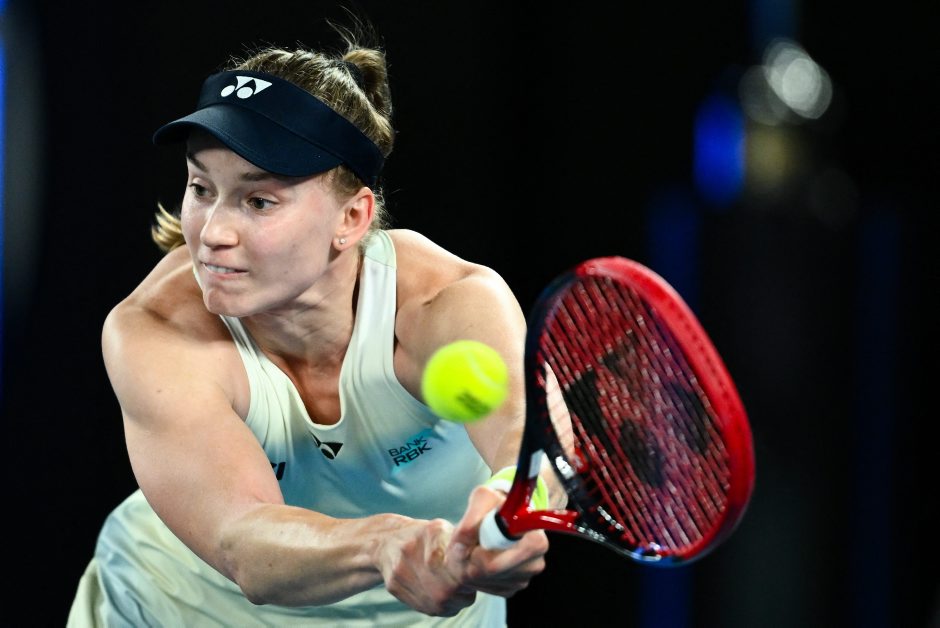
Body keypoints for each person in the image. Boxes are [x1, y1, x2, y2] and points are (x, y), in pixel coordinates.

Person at [66, 18, 565, 628]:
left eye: (258, 200)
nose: (213, 233)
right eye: (201, 188)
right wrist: (383, 544)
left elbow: (531, 446)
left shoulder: (448, 304)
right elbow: (243, 543)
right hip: (177, 606)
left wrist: (516, 501)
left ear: (352, 218)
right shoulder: (155, 329)